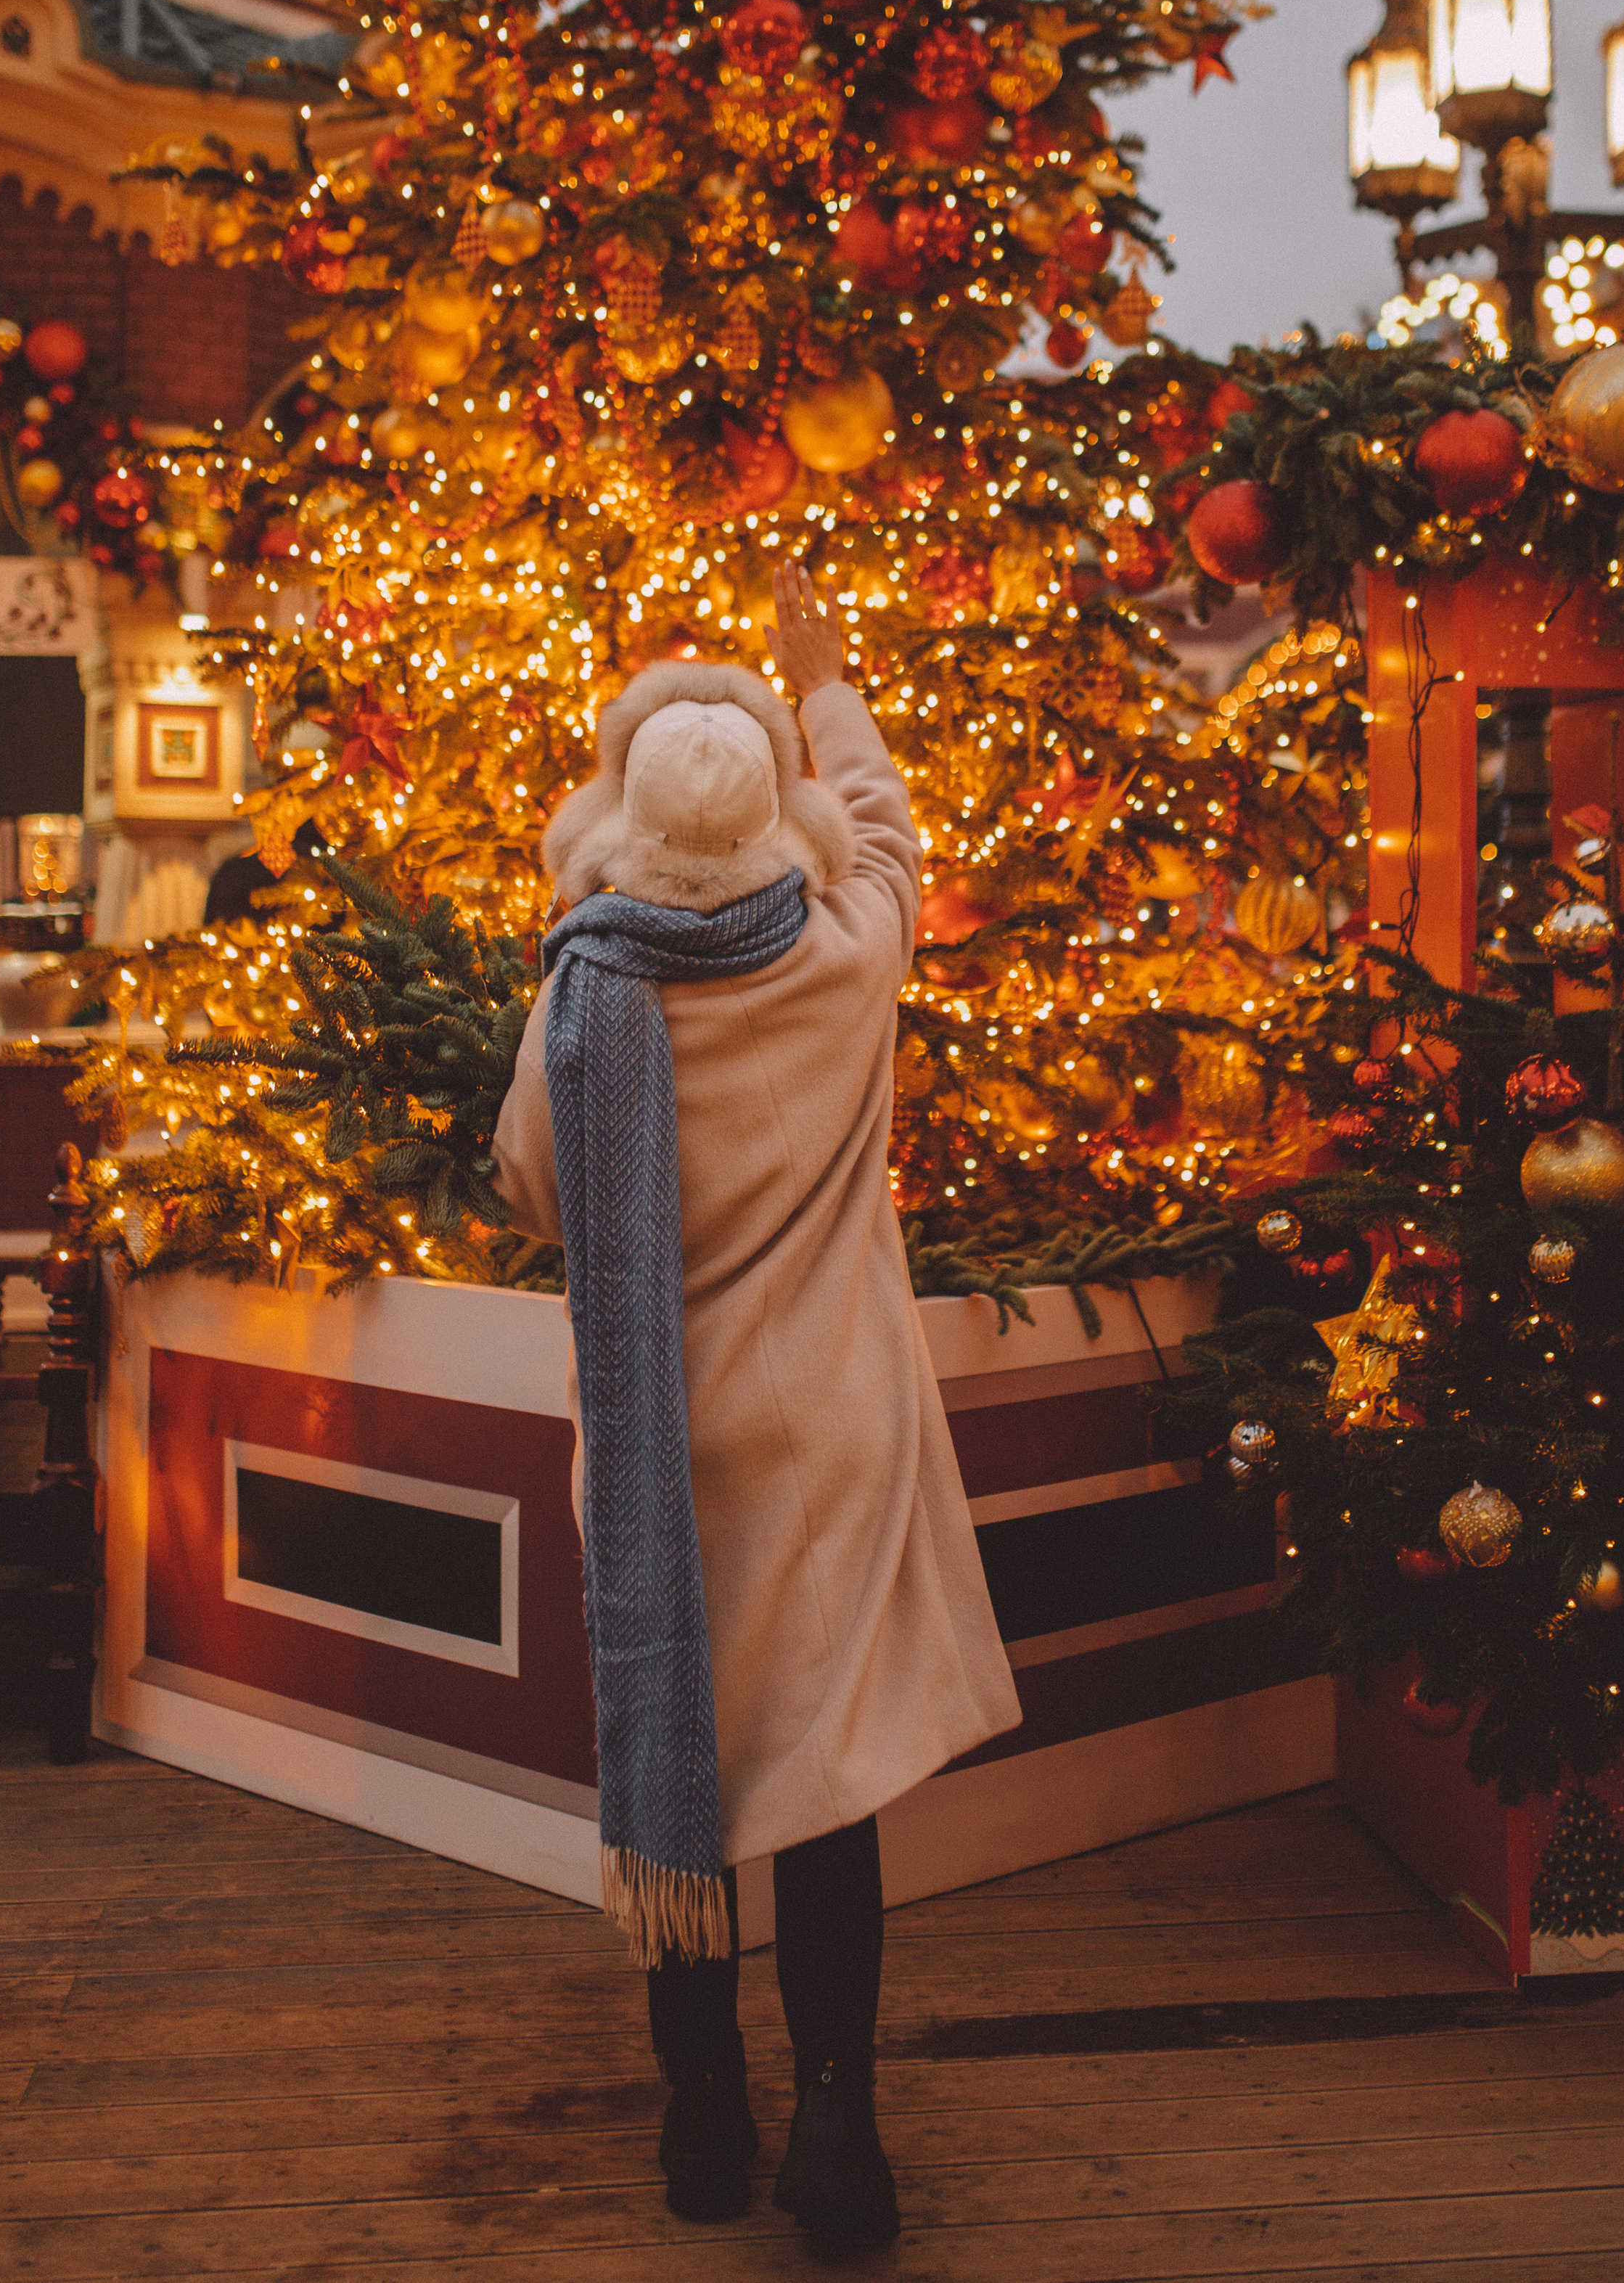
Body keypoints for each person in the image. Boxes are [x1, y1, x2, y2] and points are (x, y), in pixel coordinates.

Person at [492, 564, 1020, 2245]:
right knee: (829, 1784)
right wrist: (825, 687)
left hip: (672, 1449)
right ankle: (838, 2127)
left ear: (618, 812)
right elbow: (882, 833)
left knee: (689, 1779)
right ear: (771, 808)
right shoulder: (847, 950)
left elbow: (529, 1193)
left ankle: (699, 2117)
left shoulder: (586, 994)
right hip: (833, 1437)